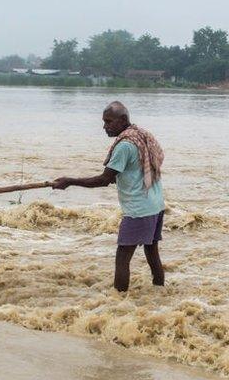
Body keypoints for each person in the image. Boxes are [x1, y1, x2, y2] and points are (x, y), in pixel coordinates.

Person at [52, 101, 165, 292]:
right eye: (104, 122)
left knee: (122, 258)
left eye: (109, 122)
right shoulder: (141, 135)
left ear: (123, 120)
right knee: (152, 252)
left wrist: (70, 181)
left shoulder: (125, 146)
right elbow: (131, 170)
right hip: (156, 205)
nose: (105, 127)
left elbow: (104, 179)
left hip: (139, 210)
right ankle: (160, 291)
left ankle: (118, 303)